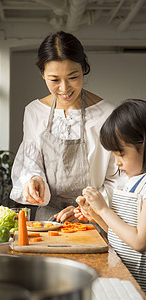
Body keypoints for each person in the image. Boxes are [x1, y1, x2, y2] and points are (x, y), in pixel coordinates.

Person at [10, 30, 120, 222]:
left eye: (73, 77)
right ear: (43, 74)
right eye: (54, 80)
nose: (64, 88)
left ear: (84, 69)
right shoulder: (34, 112)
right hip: (47, 221)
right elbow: (30, 162)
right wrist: (34, 179)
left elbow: (118, 178)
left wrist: (86, 208)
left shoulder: (108, 114)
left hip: (94, 219)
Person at [74, 99, 146, 293]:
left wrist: (104, 209)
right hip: (126, 277)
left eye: (121, 154)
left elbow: (139, 242)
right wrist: (95, 216)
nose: (117, 163)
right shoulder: (132, 182)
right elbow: (123, 236)